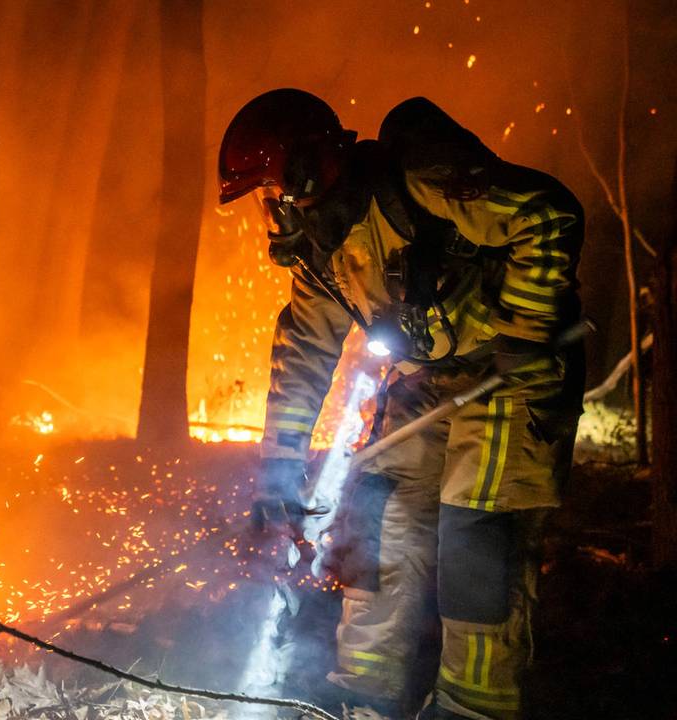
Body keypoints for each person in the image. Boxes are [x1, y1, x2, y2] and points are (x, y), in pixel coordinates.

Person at [218, 89, 584, 720]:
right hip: (426, 379)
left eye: (272, 189)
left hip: (506, 373)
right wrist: (277, 473)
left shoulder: (417, 182)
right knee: (378, 523)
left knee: (475, 538)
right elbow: (304, 349)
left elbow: (547, 216)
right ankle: (364, 696)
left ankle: (473, 707)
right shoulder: (320, 253)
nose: (273, 208)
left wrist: (526, 333)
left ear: (309, 166)